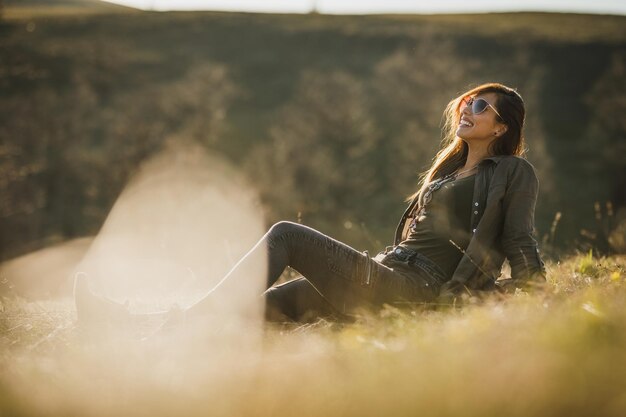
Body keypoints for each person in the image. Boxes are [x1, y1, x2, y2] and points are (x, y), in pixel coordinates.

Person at [74, 82, 546, 327]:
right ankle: (133, 323)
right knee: (262, 309)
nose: (467, 109)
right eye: (468, 101)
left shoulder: (511, 172)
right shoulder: (448, 172)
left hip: (416, 288)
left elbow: (518, 236)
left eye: (482, 107)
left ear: (502, 127)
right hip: (387, 270)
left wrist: (529, 289)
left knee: (286, 234)